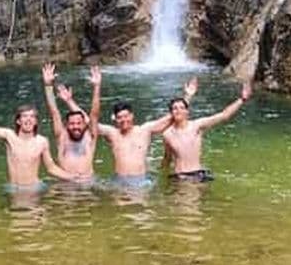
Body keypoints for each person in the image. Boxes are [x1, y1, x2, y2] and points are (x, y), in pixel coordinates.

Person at [59, 76, 198, 184]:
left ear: (132, 116)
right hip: (120, 180)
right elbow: (89, 121)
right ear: (115, 119)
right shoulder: (112, 133)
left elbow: (172, 117)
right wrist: (69, 101)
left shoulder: (145, 130)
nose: (124, 120)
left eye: (126, 116)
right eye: (120, 117)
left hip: (141, 180)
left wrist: (188, 96)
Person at [0, 85, 78, 190]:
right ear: (18, 121)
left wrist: (73, 177)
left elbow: (51, 168)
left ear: (36, 122)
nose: (28, 119)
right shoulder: (9, 136)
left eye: (32, 116)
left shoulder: (42, 141)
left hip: (35, 188)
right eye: (25, 116)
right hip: (14, 188)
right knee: (17, 220)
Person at [161, 81, 252, 182]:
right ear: (171, 112)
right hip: (180, 176)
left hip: (199, 174)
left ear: (187, 111)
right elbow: (167, 158)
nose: (178, 111)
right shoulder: (167, 134)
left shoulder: (196, 126)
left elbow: (224, 115)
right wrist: (161, 177)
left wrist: (242, 99)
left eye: (182, 108)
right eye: (175, 108)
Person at [41, 63, 101, 180]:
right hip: (66, 184)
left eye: (79, 123)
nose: (75, 126)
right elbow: (54, 112)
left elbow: (94, 114)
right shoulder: (62, 137)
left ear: (84, 124)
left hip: (87, 184)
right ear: (67, 125)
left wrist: (97, 86)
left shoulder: (90, 137)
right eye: (72, 124)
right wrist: (48, 85)